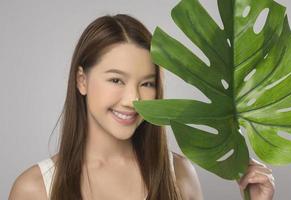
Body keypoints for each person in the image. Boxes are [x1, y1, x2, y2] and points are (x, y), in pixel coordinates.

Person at [8, 14, 275, 200]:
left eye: (147, 84)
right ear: (82, 80)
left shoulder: (178, 175)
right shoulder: (35, 189)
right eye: (116, 80)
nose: (132, 99)